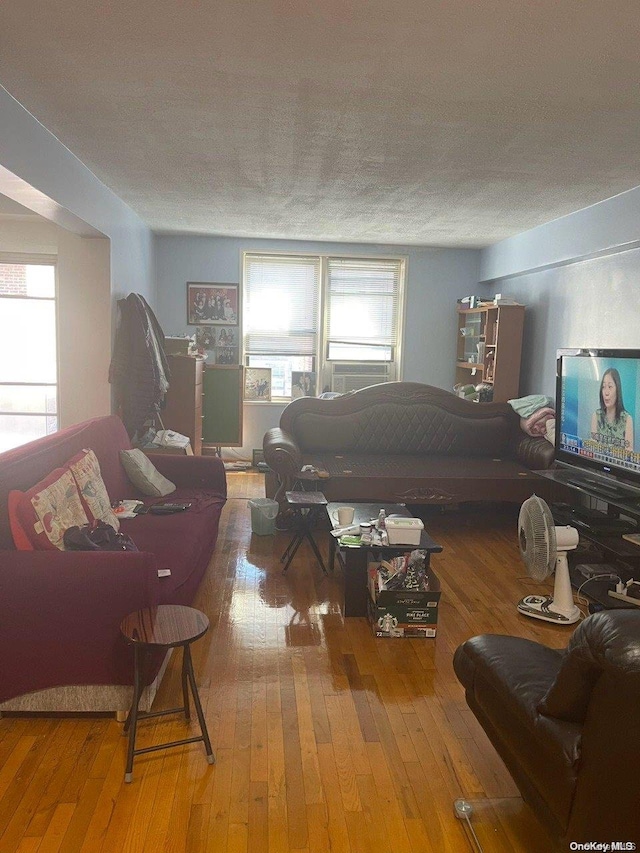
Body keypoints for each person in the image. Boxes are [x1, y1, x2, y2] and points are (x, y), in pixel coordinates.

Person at [590, 367, 634, 451]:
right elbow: (592, 450)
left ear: (617, 390)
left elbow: (629, 456)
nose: (606, 392)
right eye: (603, 387)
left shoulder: (627, 420)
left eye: (610, 387)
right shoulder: (596, 416)